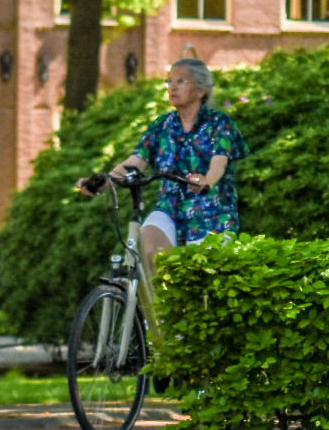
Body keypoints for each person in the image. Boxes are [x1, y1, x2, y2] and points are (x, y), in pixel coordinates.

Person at [83, 55, 243, 277]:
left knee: (200, 278)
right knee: (147, 247)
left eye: (181, 81)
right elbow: (135, 162)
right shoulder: (162, 125)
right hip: (170, 207)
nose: (172, 87)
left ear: (201, 90)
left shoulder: (219, 123)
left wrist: (207, 180)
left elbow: (219, 162)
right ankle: (157, 311)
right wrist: (104, 182)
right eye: (169, 81)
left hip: (211, 212)